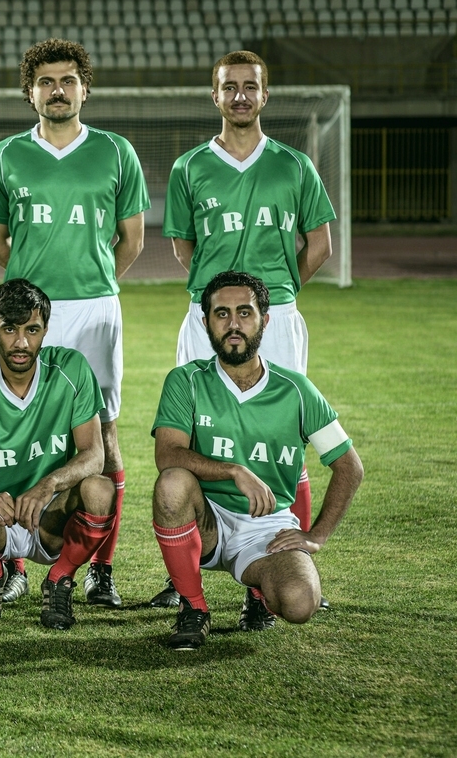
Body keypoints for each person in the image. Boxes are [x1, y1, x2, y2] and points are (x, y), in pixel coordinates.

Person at [153, 50, 337, 609]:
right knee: (197, 434)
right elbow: (185, 249)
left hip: (274, 314)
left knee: (287, 438)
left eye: (249, 86)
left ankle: (289, 547)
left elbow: (321, 246)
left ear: (264, 95)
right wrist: (222, 303)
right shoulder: (189, 167)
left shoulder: (294, 165)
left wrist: (273, 296)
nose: (239, 95)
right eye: (228, 86)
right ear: (215, 96)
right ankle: (186, 565)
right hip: (208, 315)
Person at [0, 39, 147, 609]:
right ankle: (15, 562)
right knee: (20, 432)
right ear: (30, 92)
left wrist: (89, 282)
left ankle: (100, 568)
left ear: (84, 87)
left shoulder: (116, 152)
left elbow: (131, 240)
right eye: (46, 81)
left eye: (68, 80)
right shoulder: (5, 156)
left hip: (95, 309)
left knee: (104, 435)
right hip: (30, 312)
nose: (57, 89)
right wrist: (37, 292)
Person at [151, 271, 362, 650]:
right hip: (206, 518)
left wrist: (316, 536)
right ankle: (193, 607)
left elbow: (349, 466)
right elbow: (167, 454)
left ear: (265, 320)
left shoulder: (297, 390)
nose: (234, 324)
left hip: (268, 529)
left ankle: (260, 592)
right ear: (206, 323)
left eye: (245, 313)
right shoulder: (187, 381)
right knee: (172, 483)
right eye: (222, 314)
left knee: (299, 602)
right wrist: (234, 470)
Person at [0, 279, 116, 629]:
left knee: (100, 489)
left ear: (45, 328)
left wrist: (49, 484)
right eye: (9, 329)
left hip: (50, 515)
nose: (21, 342)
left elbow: (94, 455)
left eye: (32, 330)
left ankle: (59, 579)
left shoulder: (71, 370)